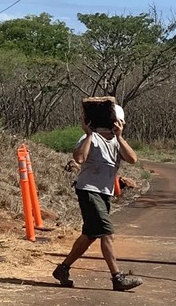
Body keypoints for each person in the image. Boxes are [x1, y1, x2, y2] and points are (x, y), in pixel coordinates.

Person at [53, 99, 143, 291]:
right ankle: (117, 278)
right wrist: (88, 134)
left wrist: (120, 137)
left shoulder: (118, 142)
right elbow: (79, 158)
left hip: (104, 193)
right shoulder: (91, 138)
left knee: (90, 235)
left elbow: (133, 159)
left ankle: (63, 269)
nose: (122, 125)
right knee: (107, 233)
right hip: (88, 190)